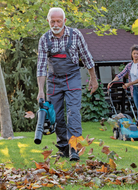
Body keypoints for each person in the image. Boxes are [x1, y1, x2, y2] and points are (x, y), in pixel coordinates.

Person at [37, 7, 98, 161]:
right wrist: (40, 90)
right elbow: (41, 66)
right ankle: (63, 148)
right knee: (56, 116)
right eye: (53, 21)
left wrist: (93, 78)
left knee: (74, 113)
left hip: (72, 77)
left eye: (59, 21)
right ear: (48, 21)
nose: (56, 24)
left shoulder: (75, 35)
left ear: (64, 21)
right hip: (54, 80)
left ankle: (74, 148)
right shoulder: (44, 39)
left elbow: (86, 57)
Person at [108, 45, 138, 131]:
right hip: (134, 90)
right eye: (134, 53)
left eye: (137, 54)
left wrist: (128, 84)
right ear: (132, 54)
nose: (136, 55)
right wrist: (112, 82)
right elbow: (121, 74)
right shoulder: (129, 65)